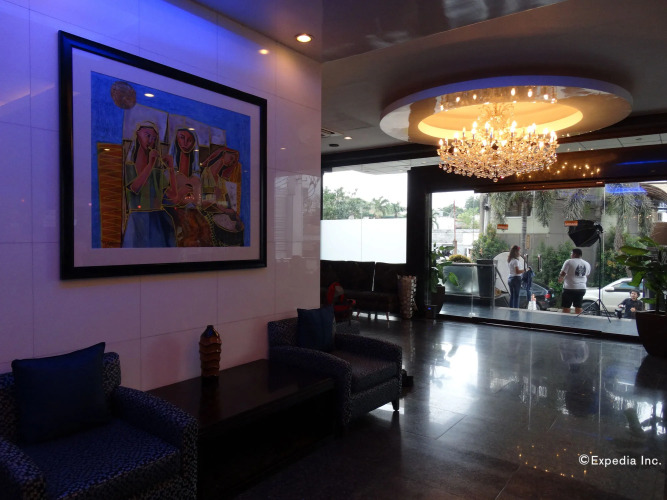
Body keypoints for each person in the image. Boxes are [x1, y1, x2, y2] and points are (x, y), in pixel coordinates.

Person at [122, 121, 176, 248]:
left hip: (157, 220)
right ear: (138, 135)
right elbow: (135, 188)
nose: (151, 141)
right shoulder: (130, 166)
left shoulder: (156, 171)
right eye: (147, 135)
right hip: (137, 221)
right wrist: (150, 164)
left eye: (154, 138)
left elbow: (173, 196)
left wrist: (171, 169)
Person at [558, 248, 591, 314]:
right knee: (578, 306)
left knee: (566, 306)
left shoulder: (569, 261)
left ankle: (566, 319)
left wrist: (560, 278)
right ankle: (578, 319)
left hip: (570, 288)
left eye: (571, 253)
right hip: (581, 288)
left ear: (574, 254)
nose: (571, 255)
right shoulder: (587, 264)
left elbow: (563, 273)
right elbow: (587, 275)